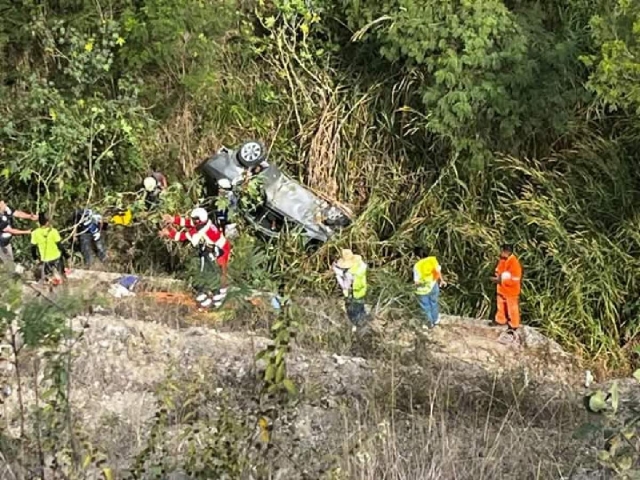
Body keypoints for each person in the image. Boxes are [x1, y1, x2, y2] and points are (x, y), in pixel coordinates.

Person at [160, 207, 232, 309]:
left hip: (219, 251)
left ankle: (211, 300)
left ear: (199, 220)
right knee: (218, 273)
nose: (192, 220)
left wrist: (168, 233)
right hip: (221, 247)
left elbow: (182, 236)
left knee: (211, 273)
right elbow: (188, 222)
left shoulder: (200, 230)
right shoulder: (205, 223)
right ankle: (217, 296)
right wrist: (173, 219)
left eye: (194, 219)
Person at [491, 244, 523, 339]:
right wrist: (497, 276)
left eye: (502, 251)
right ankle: (500, 320)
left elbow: (515, 279)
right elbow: (498, 270)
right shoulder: (502, 260)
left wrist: (502, 280)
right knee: (501, 306)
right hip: (501, 289)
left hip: (511, 290)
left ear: (507, 252)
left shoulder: (514, 263)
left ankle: (514, 325)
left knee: (512, 308)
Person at [332, 249, 368, 330]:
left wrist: (338, 276)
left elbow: (345, 286)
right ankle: (365, 322)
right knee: (360, 308)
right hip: (361, 291)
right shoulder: (361, 266)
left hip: (353, 294)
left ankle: (357, 327)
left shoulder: (349, 274)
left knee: (353, 311)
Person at [30, 213, 68, 285]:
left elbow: (33, 248)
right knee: (62, 276)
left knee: (50, 279)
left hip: (45, 260)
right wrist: (66, 255)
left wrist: (35, 258)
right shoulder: (53, 231)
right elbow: (60, 245)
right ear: (47, 222)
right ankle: (64, 289)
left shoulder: (35, 233)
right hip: (56, 258)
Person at [413, 250, 447, 329]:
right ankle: (435, 320)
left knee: (425, 307)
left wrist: (415, 285)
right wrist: (441, 280)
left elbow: (416, 282)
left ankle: (429, 323)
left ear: (417, 256)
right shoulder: (432, 260)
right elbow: (437, 272)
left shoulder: (417, 266)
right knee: (434, 303)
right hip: (433, 286)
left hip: (422, 290)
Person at [0, 200, 37, 267]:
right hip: (1, 244)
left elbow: (17, 213)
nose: (5, 205)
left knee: (10, 261)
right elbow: (10, 230)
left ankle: (10, 273)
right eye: (2, 204)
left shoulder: (7, 209)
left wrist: (29, 216)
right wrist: (26, 232)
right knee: (8, 264)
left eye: (4, 203)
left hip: (6, 242)